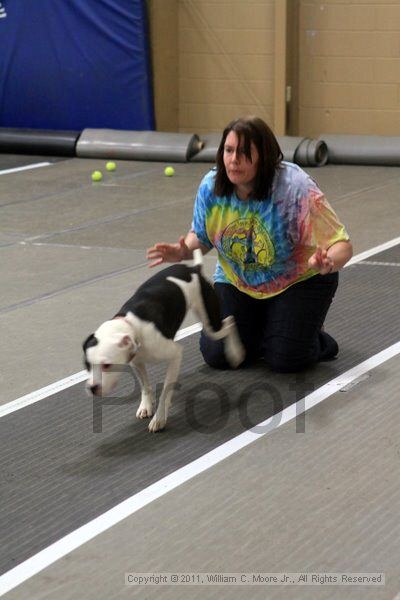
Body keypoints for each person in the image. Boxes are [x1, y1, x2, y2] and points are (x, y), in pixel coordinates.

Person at [147, 116, 353, 373]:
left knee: (285, 360)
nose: (234, 159)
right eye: (229, 150)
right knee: (218, 355)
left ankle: (311, 335)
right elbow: (200, 237)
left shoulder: (294, 188)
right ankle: (273, 326)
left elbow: (342, 245)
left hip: (299, 281)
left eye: (244, 153)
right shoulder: (212, 187)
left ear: (264, 156)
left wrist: (328, 262)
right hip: (238, 281)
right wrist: (183, 251)